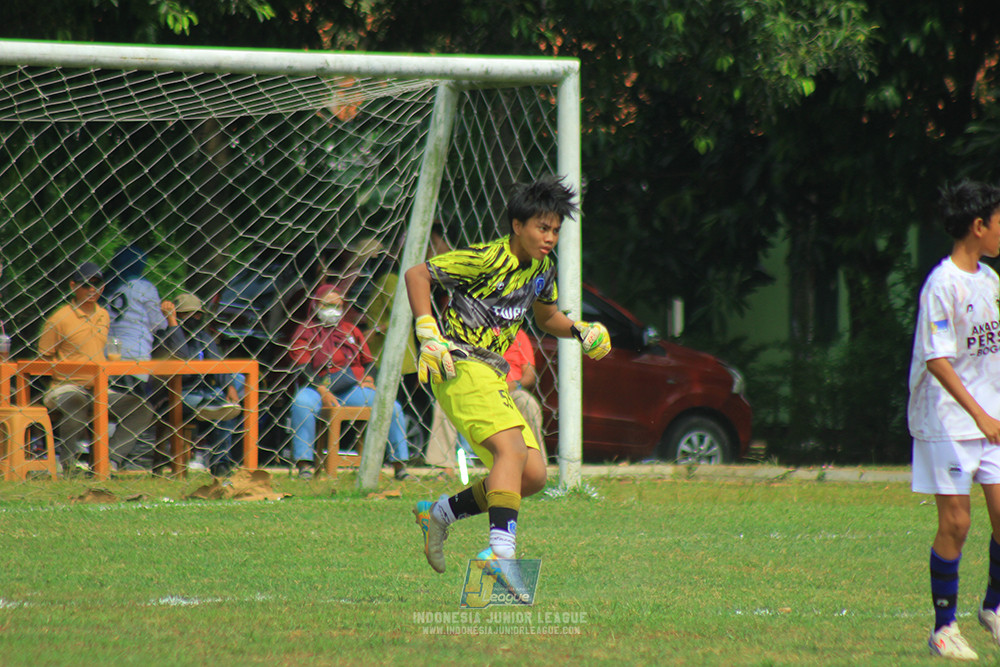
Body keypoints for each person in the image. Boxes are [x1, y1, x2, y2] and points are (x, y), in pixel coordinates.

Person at [406, 175, 611, 575]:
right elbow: (418, 274)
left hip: (491, 372)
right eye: (542, 227)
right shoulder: (486, 258)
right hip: (459, 363)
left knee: (532, 476)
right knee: (512, 452)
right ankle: (501, 552)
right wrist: (427, 331)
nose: (550, 236)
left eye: (555, 229)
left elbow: (547, 317)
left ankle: (440, 515)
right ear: (518, 226)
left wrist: (580, 331)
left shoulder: (543, 269)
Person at [909, 180, 1000, 660]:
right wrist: (981, 413)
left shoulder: (990, 280)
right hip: (947, 419)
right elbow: (938, 360)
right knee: (958, 523)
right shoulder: (941, 285)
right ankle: (943, 629)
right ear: (978, 226)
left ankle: (994, 608)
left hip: (990, 419)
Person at [38, 261, 155, 471]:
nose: (93, 290)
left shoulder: (104, 315)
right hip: (65, 387)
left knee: (142, 408)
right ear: (73, 286)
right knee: (77, 405)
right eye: (87, 284)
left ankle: (109, 462)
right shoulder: (59, 318)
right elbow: (43, 359)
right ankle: (67, 467)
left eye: (98, 284)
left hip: (100, 388)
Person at [287, 285, 412, 481]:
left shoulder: (350, 330)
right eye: (327, 305)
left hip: (351, 388)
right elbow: (302, 367)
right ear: (316, 305)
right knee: (301, 403)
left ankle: (400, 465)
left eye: (338, 306)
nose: (332, 310)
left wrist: (370, 379)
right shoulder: (305, 331)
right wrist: (322, 391)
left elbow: (369, 361)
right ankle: (305, 465)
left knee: (391, 406)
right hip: (317, 388)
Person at [425, 327, 547, 471]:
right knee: (444, 403)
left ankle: (536, 465)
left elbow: (529, 375)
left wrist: (512, 385)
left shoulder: (519, 335)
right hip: (476, 388)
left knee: (528, 403)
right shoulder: (470, 332)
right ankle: (442, 465)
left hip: (509, 390)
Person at [155, 293, 244, 476]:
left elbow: (216, 363)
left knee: (227, 405)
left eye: (198, 315)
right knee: (217, 403)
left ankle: (221, 463)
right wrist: (173, 324)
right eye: (189, 314)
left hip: (203, 392)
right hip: (173, 395)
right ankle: (210, 406)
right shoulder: (163, 337)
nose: (195, 318)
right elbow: (182, 357)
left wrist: (229, 386)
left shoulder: (202, 336)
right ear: (177, 315)